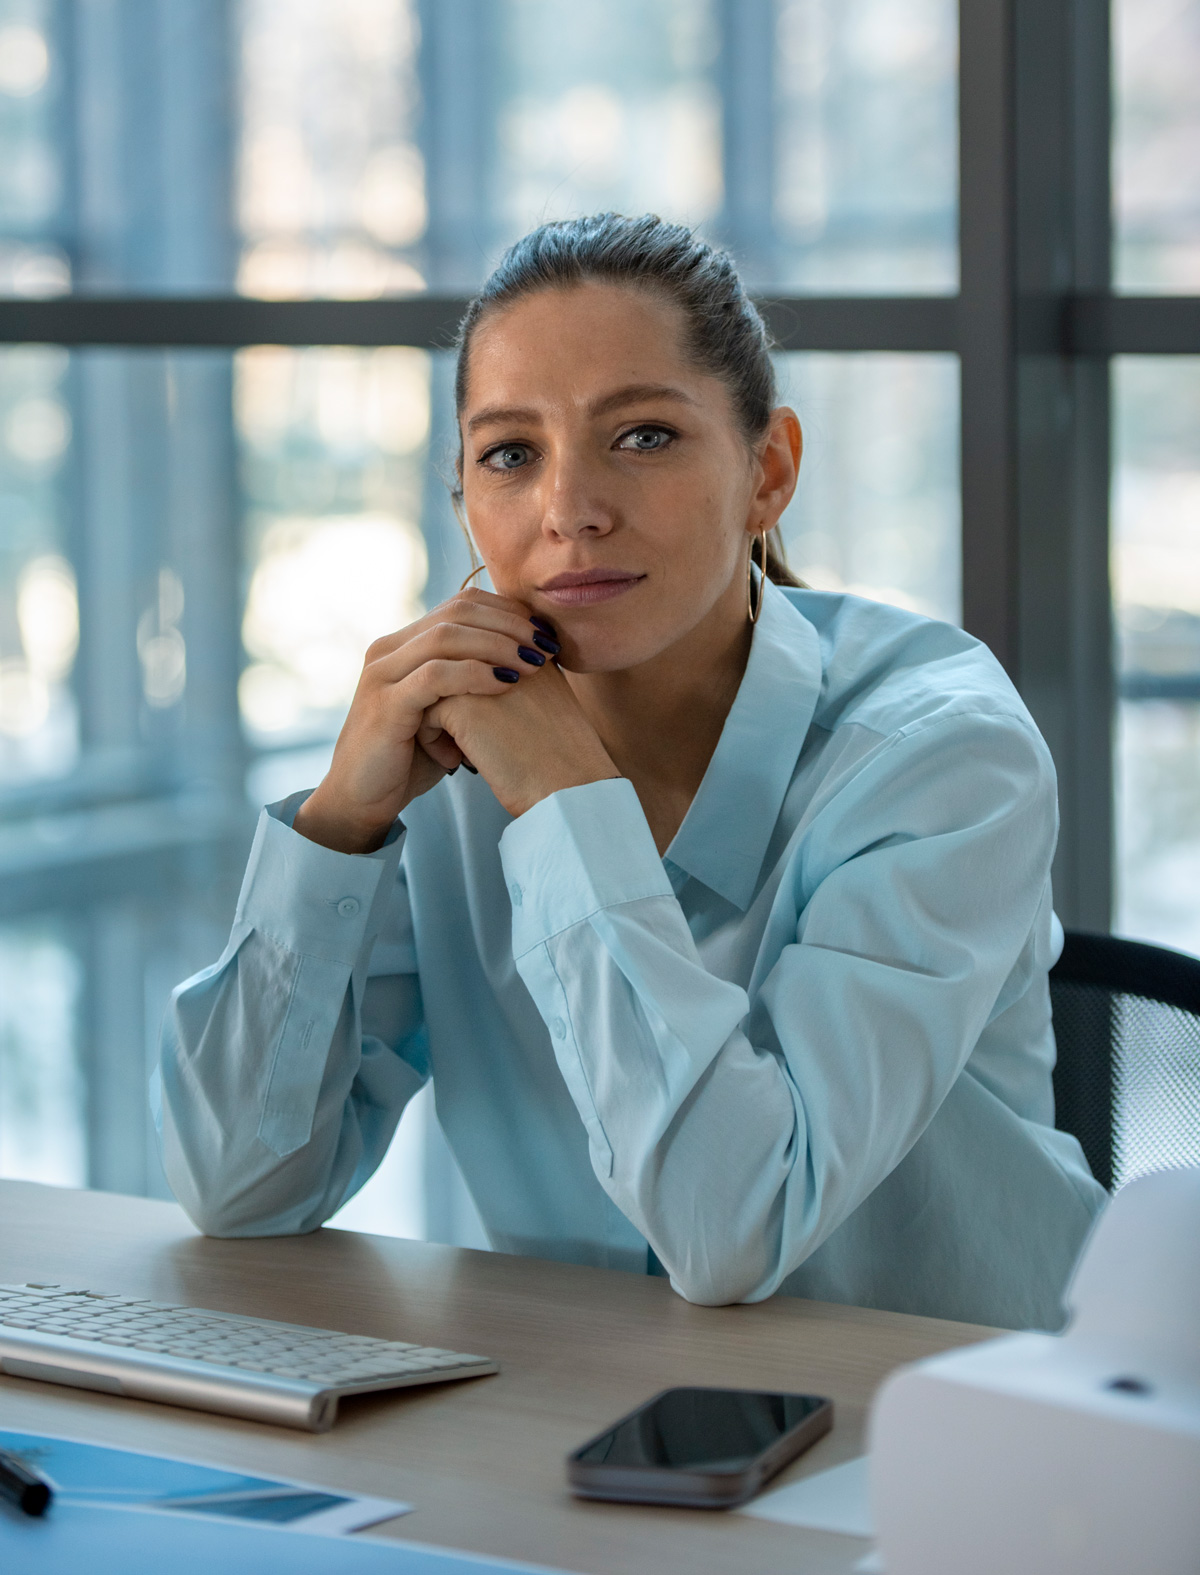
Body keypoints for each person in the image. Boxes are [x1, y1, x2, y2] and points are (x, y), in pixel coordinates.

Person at [156, 213, 1105, 1331]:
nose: (570, 511)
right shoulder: (450, 750)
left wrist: (568, 808)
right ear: (466, 500)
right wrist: (337, 829)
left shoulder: (941, 754)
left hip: (948, 1429)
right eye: (512, 454)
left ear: (768, 471)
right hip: (581, 1416)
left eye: (643, 436)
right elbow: (239, 1188)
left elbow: (731, 1227)